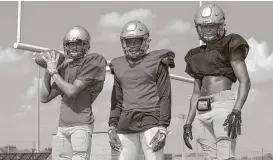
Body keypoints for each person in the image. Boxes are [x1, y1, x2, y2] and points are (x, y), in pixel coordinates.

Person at [183, 4, 251, 160]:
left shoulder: (230, 43)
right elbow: (195, 93)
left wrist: (236, 110)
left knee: (225, 155)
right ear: (198, 28)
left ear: (220, 25)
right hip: (201, 109)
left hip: (222, 105)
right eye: (204, 27)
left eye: (212, 26)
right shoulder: (194, 55)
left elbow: (245, 80)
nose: (208, 30)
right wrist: (188, 123)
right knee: (209, 157)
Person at [107, 20, 175, 160]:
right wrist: (112, 126)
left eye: (136, 41)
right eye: (129, 42)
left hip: (152, 119)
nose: (132, 46)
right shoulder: (118, 65)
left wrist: (163, 127)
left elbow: (165, 96)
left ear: (145, 41)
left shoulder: (157, 61)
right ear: (123, 43)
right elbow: (117, 100)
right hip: (126, 121)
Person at [39, 26, 107, 160]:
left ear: (86, 46)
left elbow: (71, 91)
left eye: (77, 44)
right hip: (63, 126)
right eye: (70, 44)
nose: (73, 48)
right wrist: (48, 71)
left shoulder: (94, 60)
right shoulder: (64, 67)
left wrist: (54, 72)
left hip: (81, 125)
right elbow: (44, 98)